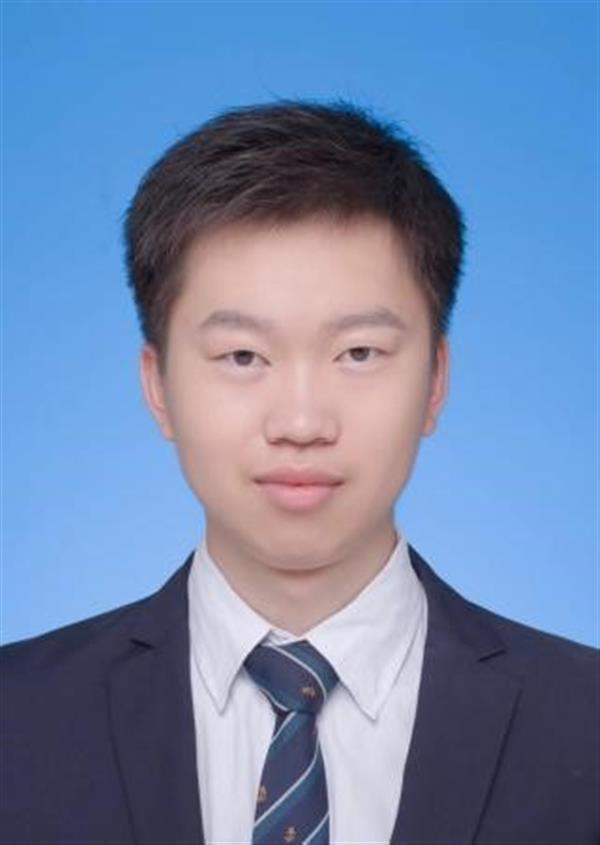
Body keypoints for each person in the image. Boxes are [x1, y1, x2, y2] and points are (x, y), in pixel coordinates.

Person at [1, 99, 598, 845]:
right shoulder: (17, 720)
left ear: (436, 381)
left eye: (359, 353)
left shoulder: (583, 723)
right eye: (243, 356)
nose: (302, 421)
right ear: (158, 387)